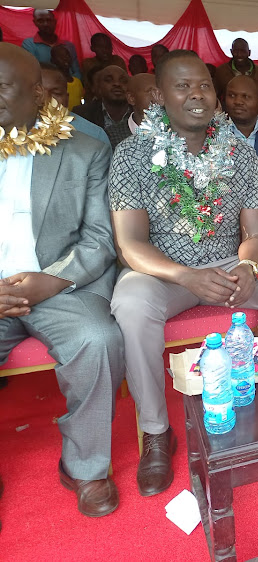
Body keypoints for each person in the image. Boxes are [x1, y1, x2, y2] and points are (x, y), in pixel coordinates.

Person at [108, 50, 258, 497]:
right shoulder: (132, 152)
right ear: (160, 95)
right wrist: (185, 276)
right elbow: (130, 243)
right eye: (182, 87)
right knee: (130, 301)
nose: (196, 95)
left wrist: (249, 263)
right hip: (164, 273)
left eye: (203, 85)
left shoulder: (237, 149)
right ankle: (157, 433)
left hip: (227, 267)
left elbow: (256, 231)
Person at [0, 42, 123, 517]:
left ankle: (86, 468)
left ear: (37, 94)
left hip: (59, 286)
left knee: (98, 339)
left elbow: (99, 238)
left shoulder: (85, 150)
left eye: (3, 87)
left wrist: (50, 282)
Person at [39, 62, 110, 147]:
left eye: (56, 93)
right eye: (37, 93)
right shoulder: (19, 133)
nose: (46, 100)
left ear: (67, 99)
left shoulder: (94, 135)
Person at [214, 38, 258, 111]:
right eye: (236, 51)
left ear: (249, 52)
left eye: (243, 51)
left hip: (255, 116)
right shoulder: (221, 71)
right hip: (229, 116)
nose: (239, 54)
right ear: (231, 52)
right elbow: (214, 96)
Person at [22, 9, 81, 80]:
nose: (45, 24)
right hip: (46, 86)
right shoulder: (29, 44)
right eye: (40, 21)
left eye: (49, 20)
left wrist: (72, 85)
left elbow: (77, 72)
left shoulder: (69, 46)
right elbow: (32, 70)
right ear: (35, 23)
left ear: (55, 21)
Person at [105, 72, 157, 149]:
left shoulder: (173, 131)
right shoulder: (111, 136)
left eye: (161, 92)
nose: (157, 97)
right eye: (150, 91)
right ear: (131, 98)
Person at [73, 65, 132, 130]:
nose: (117, 84)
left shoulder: (140, 112)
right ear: (99, 87)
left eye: (123, 80)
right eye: (109, 80)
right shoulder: (81, 114)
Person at [50, 44, 84, 109]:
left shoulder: (77, 82)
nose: (65, 58)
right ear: (53, 60)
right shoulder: (54, 83)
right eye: (60, 56)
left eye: (67, 55)